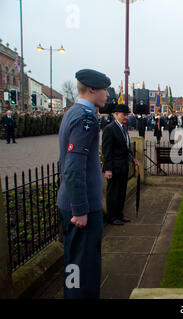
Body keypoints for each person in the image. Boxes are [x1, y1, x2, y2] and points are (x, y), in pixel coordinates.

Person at [57, 68, 110, 298]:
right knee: (84, 266)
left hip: (71, 202)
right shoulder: (86, 119)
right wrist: (80, 210)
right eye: (104, 89)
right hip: (82, 207)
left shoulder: (73, 112)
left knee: (74, 261)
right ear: (91, 90)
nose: (107, 95)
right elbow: (72, 166)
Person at [102, 104, 139, 225]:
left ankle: (119, 214)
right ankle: (112, 217)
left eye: (127, 115)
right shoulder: (109, 129)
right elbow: (106, 151)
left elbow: (126, 147)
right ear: (116, 114)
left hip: (123, 166)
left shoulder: (123, 128)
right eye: (124, 115)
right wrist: (107, 169)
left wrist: (133, 158)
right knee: (113, 193)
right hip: (114, 167)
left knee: (122, 192)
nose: (126, 117)